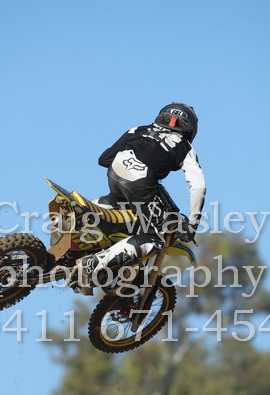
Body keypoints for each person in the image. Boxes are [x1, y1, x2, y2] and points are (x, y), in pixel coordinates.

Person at [72, 102, 206, 292]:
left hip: (115, 174)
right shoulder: (184, 146)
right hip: (140, 183)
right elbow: (199, 185)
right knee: (155, 237)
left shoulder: (138, 129)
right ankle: (92, 264)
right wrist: (192, 224)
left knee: (121, 203)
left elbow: (104, 159)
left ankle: (80, 228)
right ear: (190, 128)